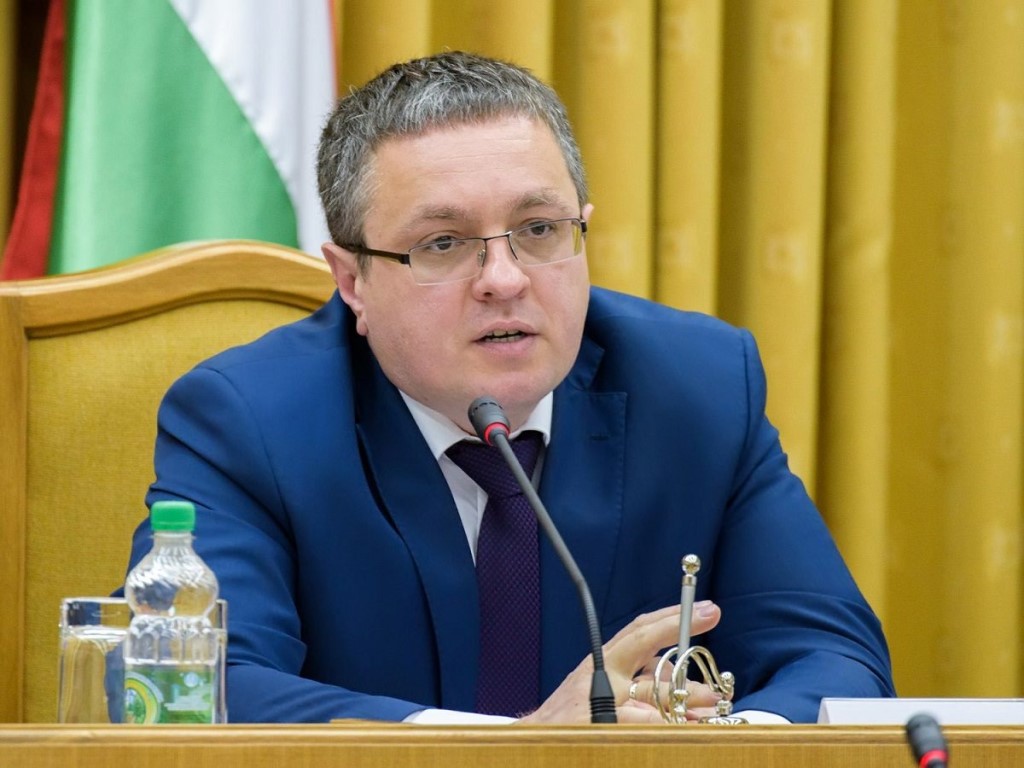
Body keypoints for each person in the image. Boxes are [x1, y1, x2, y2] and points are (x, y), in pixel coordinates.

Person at [124, 51, 895, 725]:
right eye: (443, 243)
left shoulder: (699, 388)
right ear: (353, 281)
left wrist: (723, 745)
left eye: (538, 230)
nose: (504, 279)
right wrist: (515, 749)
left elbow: (834, 657)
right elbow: (195, 684)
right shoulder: (249, 420)